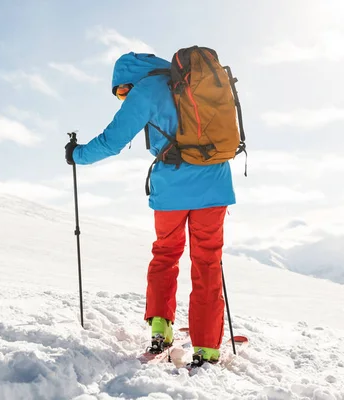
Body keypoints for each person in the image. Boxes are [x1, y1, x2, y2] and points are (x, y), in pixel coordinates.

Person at [64, 52, 236, 365]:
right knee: (208, 262)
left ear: (128, 80)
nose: (123, 97)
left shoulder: (146, 90)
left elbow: (111, 142)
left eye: (120, 91)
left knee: (166, 255)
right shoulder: (192, 83)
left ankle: (161, 330)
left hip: (172, 189)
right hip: (216, 184)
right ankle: (208, 348)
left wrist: (77, 155)